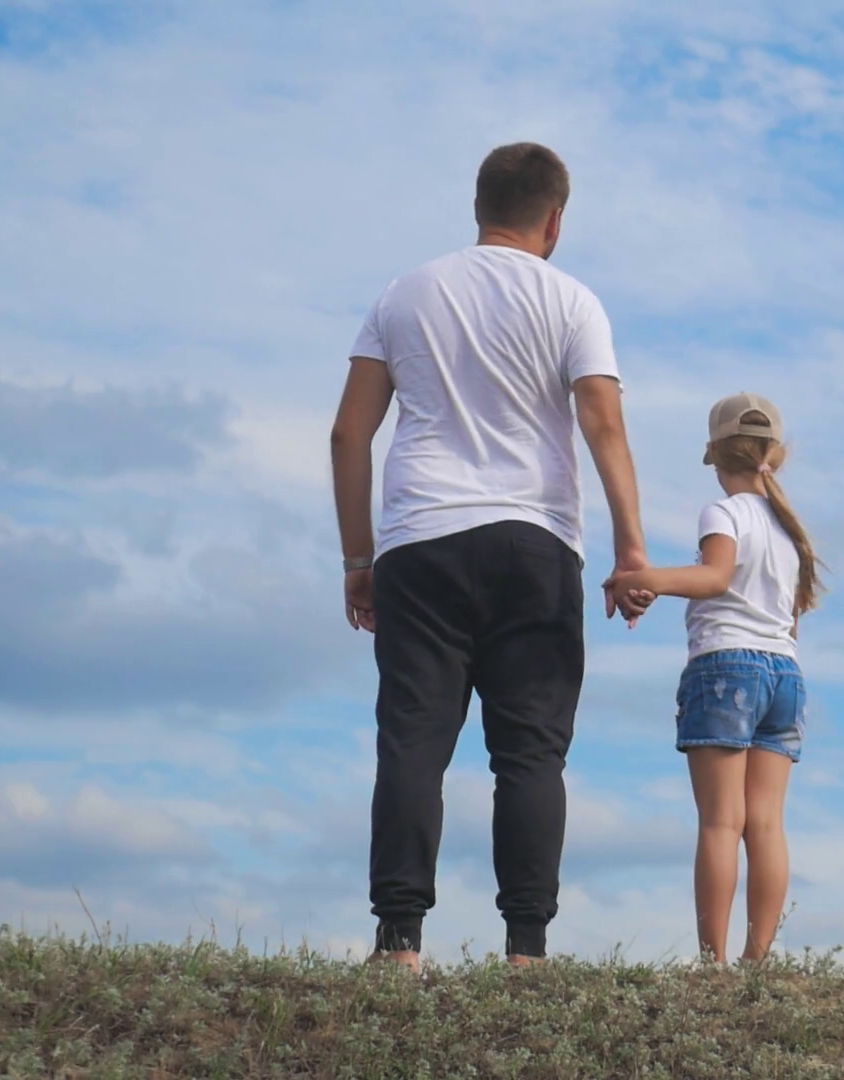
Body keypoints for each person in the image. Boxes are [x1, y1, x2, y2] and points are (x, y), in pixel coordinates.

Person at [329, 142, 651, 972]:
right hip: (535, 543)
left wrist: (356, 559)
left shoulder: (404, 294)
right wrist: (632, 546)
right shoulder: (573, 301)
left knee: (412, 741)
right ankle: (527, 952)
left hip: (421, 541)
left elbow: (348, 433)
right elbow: (602, 424)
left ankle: (399, 942)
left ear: (478, 206)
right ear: (555, 219)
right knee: (531, 752)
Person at [604, 393, 823, 963]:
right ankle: (758, 959)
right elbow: (790, 620)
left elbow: (716, 577)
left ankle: (713, 963)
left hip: (727, 666)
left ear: (714, 453)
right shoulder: (789, 530)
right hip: (786, 674)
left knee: (721, 823)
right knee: (767, 825)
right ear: (773, 453)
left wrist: (643, 577)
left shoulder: (722, 513)